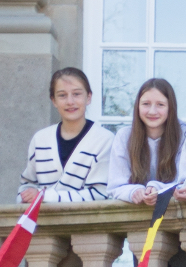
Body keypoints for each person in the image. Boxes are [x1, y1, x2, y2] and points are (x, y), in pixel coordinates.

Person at [18, 67, 117, 202]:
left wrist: (44, 196)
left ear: (88, 97)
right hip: (43, 222)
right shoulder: (40, 139)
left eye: (76, 94)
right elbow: (27, 185)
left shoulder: (104, 140)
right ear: (54, 101)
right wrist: (25, 196)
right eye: (62, 95)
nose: (70, 101)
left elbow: (99, 194)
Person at [107, 77, 184, 203]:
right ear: (137, 106)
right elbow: (115, 185)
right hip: (134, 214)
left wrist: (158, 189)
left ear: (171, 107)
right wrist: (134, 192)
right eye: (146, 104)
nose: (152, 111)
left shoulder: (185, 135)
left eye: (160, 105)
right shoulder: (124, 136)